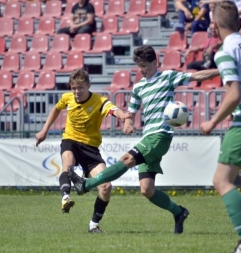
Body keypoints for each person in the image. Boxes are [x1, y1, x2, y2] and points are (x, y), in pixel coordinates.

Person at [68, 45, 220, 234]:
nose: (142, 70)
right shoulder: (138, 86)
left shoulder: (168, 77)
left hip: (160, 135)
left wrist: (222, 70)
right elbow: (131, 112)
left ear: (155, 63)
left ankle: (86, 184)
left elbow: (197, 76)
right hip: (148, 135)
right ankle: (179, 212)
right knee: (147, 190)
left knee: (126, 160)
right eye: (139, 67)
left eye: (145, 66)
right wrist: (128, 123)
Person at [35, 68, 131, 233]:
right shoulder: (67, 98)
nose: (76, 92)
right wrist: (44, 130)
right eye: (73, 88)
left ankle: (94, 225)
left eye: (80, 88)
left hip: (90, 148)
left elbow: (113, 110)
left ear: (88, 86)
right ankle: (65, 197)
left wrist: (123, 116)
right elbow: (56, 109)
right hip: (70, 140)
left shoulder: (99, 101)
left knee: (106, 186)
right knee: (68, 162)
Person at [200, 0, 241, 253]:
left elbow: (234, 94)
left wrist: (212, 121)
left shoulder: (225, 52)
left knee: (222, 180)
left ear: (214, 25)